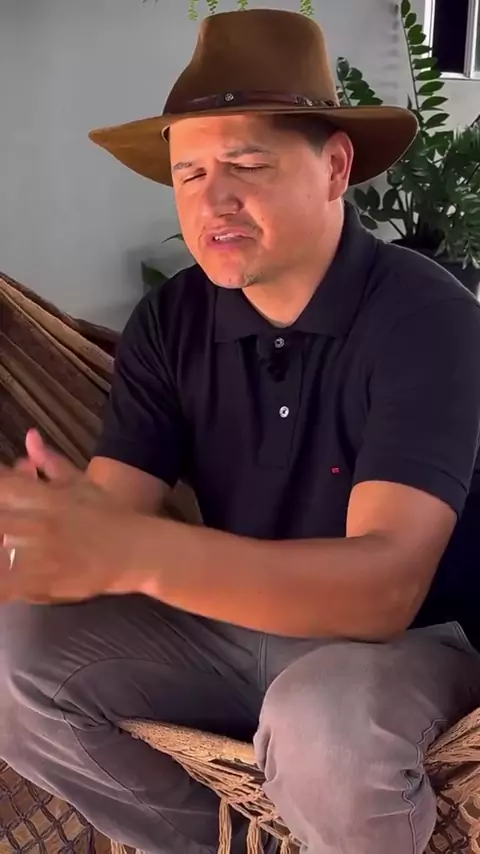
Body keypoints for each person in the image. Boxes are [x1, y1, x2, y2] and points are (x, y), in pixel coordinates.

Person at [1, 8, 480, 854]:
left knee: (322, 728)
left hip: (412, 645)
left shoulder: (425, 316)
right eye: (187, 174)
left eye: (247, 165)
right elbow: (107, 527)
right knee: (15, 655)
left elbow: (384, 591)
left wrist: (134, 553)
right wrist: (43, 544)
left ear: (335, 168)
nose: (211, 200)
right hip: (231, 630)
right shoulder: (170, 322)